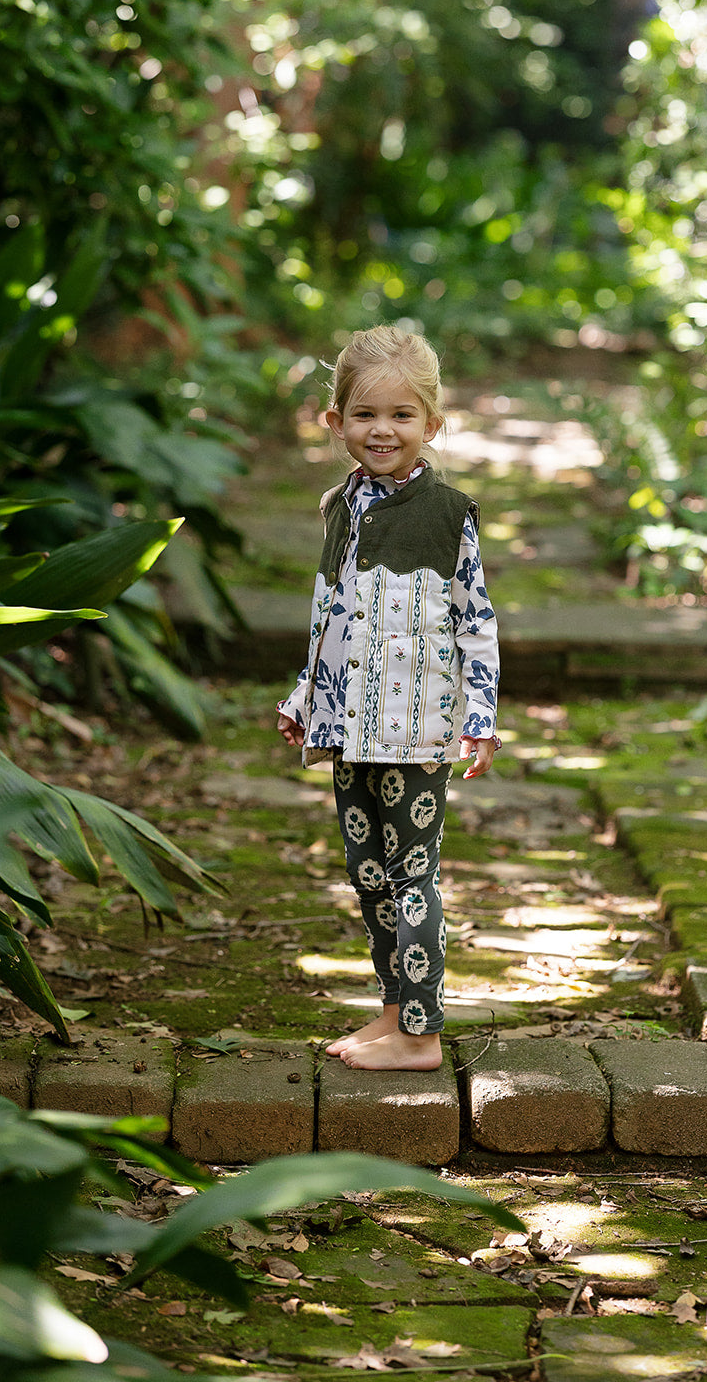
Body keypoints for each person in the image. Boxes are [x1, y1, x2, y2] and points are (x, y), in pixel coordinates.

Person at [276, 326, 500, 1072]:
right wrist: (306, 695)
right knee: (368, 872)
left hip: (416, 730)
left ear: (431, 424)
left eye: (402, 415)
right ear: (334, 421)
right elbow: (330, 615)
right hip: (349, 726)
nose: (383, 430)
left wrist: (479, 719)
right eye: (365, 414)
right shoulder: (339, 506)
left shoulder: (449, 514)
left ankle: (421, 1033)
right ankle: (393, 1009)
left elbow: (476, 622)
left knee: (411, 875)